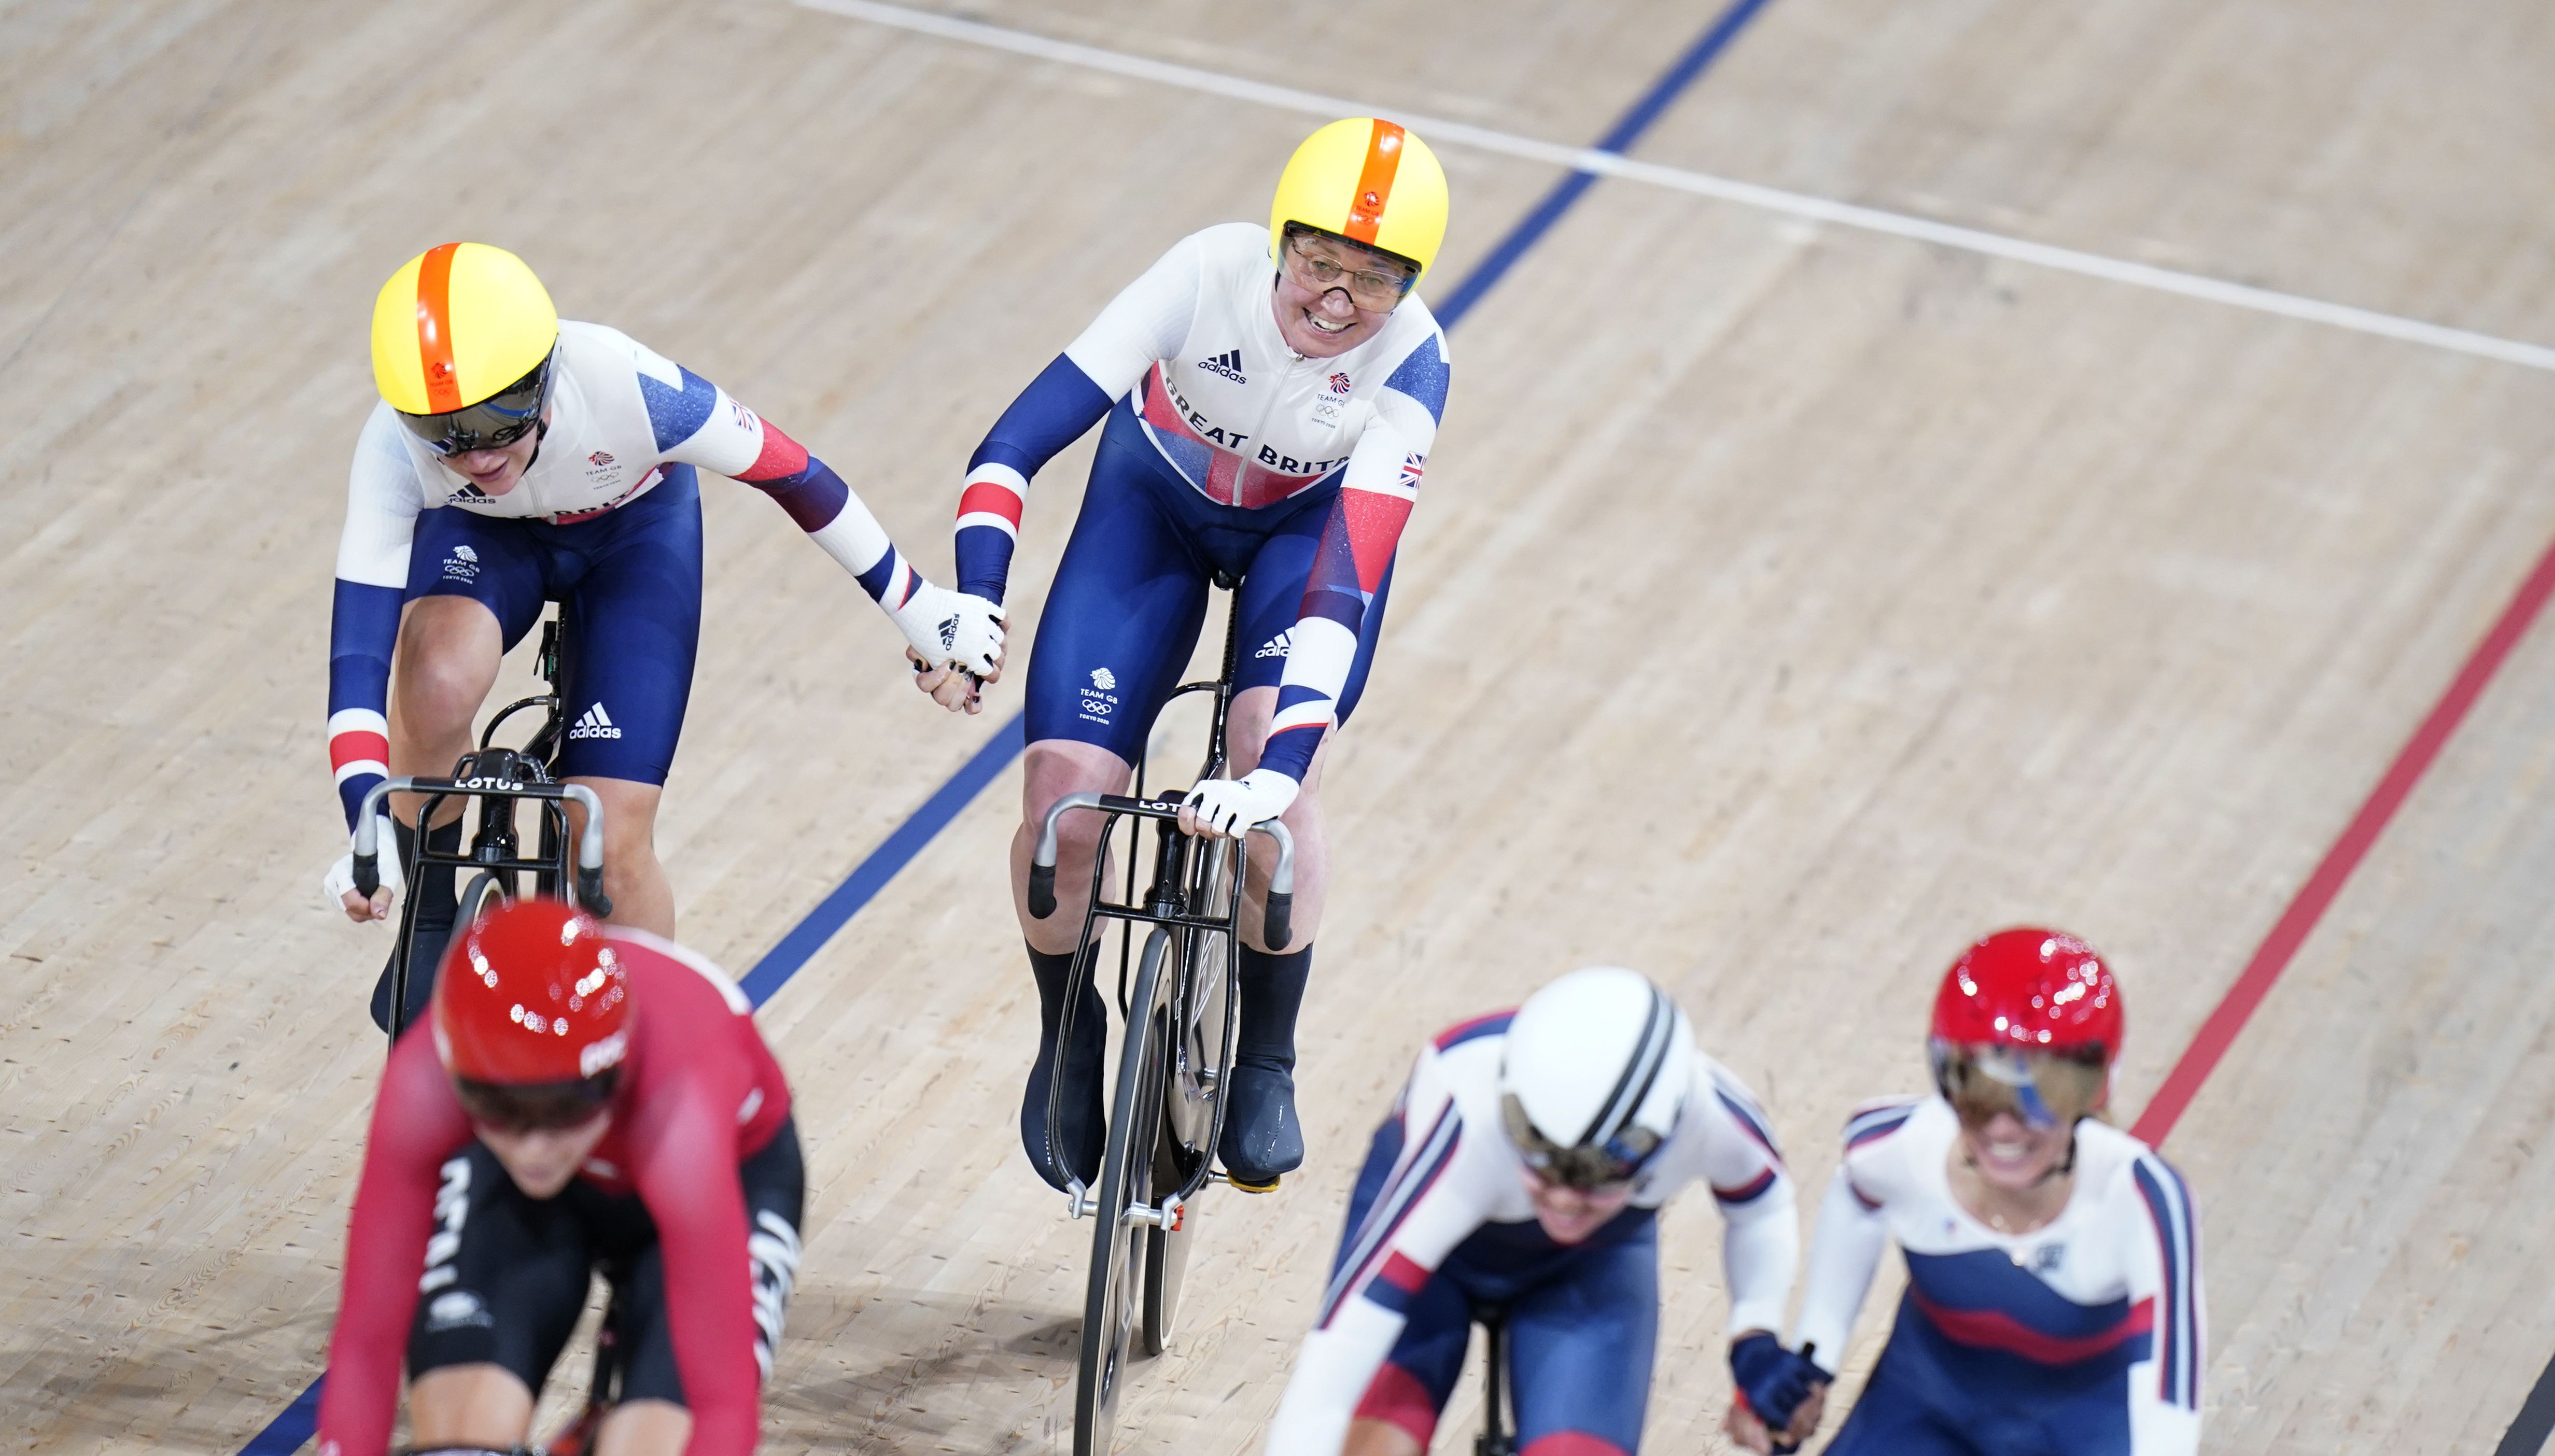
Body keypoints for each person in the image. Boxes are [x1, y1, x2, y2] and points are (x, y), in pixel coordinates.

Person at [911, 118, 1454, 1193]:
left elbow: (1342, 589)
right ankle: (1068, 1029)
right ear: (1277, 243)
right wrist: (974, 600)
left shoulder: (1416, 363)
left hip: (1307, 541)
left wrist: (1274, 778)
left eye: (1373, 280)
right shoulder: (1203, 272)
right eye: (1319, 263)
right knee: (1062, 801)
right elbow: (1011, 448)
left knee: (1273, 772)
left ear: (1411, 285)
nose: (1337, 301)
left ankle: (1265, 1055)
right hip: (1150, 501)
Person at [322, 242, 995, 1025]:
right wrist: (365, 824)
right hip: (488, 541)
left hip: (630, 539)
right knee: (433, 679)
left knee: (610, 831)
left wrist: (920, 610)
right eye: (446, 434)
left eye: (497, 421)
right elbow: (357, 661)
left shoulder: (630, 387)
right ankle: (429, 911)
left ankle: (639, 1047)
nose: (477, 455)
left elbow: (800, 477)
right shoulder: (393, 449)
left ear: (544, 376)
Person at [314, 897, 803, 1456]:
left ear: (615, 1075)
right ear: (455, 1073)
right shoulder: (421, 1085)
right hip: (535, 1201)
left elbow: (724, 1403)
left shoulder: (680, 1118)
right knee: (461, 1441)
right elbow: (365, 1345)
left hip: (728, 1174)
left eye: (568, 1107)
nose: (536, 1149)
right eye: (499, 1106)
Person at [1262, 967, 1805, 1456]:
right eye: (1539, 1160)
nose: (1564, 1199)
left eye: (1595, 1175)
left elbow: (1762, 1207)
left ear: (1662, 1138)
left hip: (1587, 1270)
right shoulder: (1464, 1118)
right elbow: (1334, 1364)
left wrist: (1753, 1331)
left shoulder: (1711, 1116)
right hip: (1435, 1260)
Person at [1772, 928, 2206, 1455]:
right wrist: (1813, 1359)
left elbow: (2170, 1392)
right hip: (1922, 1414)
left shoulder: (2141, 1199)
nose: (2003, 1129)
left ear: (2092, 1091)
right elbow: (1856, 1198)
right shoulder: (1896, 1145)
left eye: (2039, 1100)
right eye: (1977, 1095)